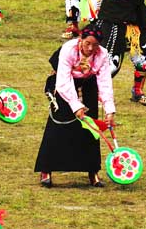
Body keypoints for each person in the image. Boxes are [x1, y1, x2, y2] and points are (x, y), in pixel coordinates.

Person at [34, 24, 115, 188]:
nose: (90, 48)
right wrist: (75, 105)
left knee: (90, 127)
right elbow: (63, 80)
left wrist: (109, 109)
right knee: (58, 124)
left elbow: (105, 82)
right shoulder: (68, 49)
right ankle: (46, 169)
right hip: (65, 85)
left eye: (95, 45)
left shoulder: (102, 55)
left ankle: (92, 171)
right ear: (81, 39)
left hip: (88, 84)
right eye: (87, 43)